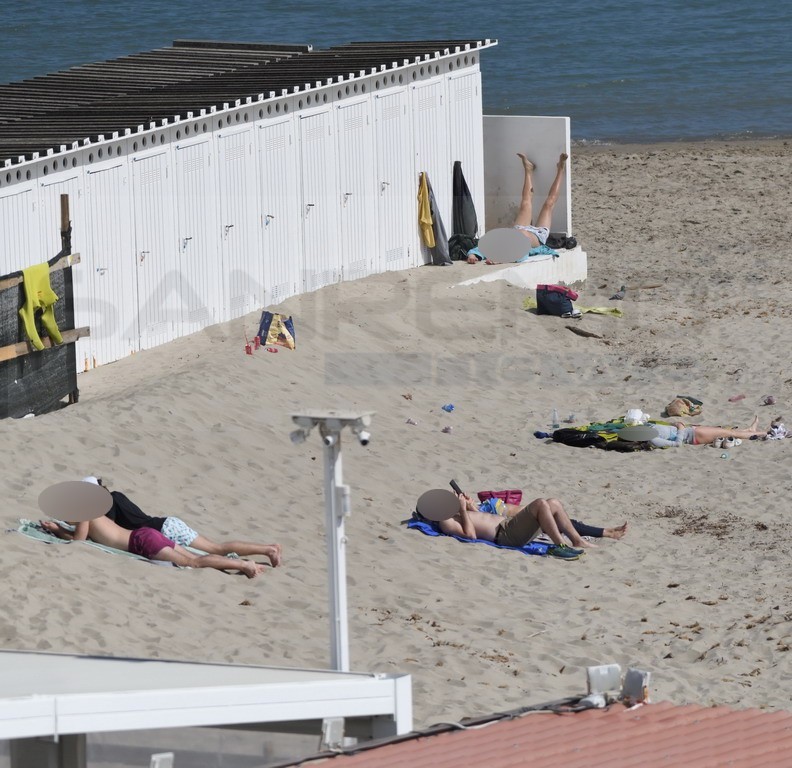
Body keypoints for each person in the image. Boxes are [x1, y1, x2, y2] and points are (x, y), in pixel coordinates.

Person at [81, 476, 281, 567]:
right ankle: (266, 550)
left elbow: (102, 532)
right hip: (166, 524)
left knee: (211, 552)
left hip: (161, 532)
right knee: (213, 550)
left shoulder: (108, 505)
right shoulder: (116, 495)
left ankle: (265, 552)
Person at [39, 515, 267, 578]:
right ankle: (245, 564)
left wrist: (57, 530)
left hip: (141, 542)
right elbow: (85, 535)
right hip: (146, 534)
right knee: (192, 557)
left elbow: (78, 542)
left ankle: (244, 565)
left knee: (194, 562)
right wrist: (60, 528)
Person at [434, 491, 627, 561]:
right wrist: (463, 510)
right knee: (540, 504)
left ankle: (577, 541)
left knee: (553, 503)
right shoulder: (446, 521)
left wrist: (470, 507)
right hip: (505, 535)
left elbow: (481, 518)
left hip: (508, 525)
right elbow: (470, 536)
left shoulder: (457, 513)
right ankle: (560, 546)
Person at [467, 152, 569, 265]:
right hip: (538, 235)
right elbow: (521, 255)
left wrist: (472, 255)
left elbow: (480, 247)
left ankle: (529, 170)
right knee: (548, 204)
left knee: (525, 203)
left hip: (519, 229)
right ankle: (560, 169)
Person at [648, 415, 770, 447]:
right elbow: (677, 444)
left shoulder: (647, 427)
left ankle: (749, 430)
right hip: (694, 436)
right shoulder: (652, 439)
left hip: (693, 431)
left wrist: (675, 424)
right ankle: (764, 433)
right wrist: (680, 428)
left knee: (724, 431)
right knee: (731, 433)